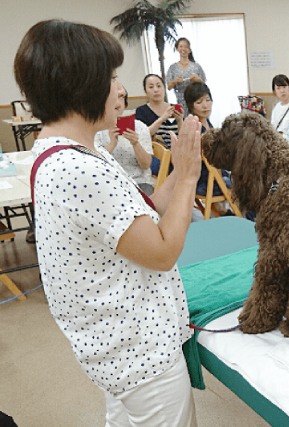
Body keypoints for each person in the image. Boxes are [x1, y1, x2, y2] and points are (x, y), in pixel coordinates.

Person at [15, 19, 202, 425]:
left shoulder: (64, 152)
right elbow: (163, 251)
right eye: (112, 77)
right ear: (79, 83)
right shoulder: (79, 169)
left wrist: (179, 171)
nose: (121, 89)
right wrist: (189, 177)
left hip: (115, 352)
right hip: (141, 354)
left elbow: (139, 215)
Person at [96, 83, 154, 195]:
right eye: (113, 98)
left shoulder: (140, 127)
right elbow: (95, 163)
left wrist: (135, 143)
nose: (117, 102)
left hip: (139, 182)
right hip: (110, 182)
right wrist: (112, 144)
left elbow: (146, 165)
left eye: (121, 98)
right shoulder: (98, 129)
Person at [184, 81, 232, 208]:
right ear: (191, 106)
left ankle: (229, 213)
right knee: (251, 183)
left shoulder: (206, 123)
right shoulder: (194, 127)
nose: (205, 105)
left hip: (214, 177)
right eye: (199, 102)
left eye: (207, 100)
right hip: (207, 182)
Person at [136, 73, 183, 148]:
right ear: (145, 91)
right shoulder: (142, 111)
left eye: (159, 86)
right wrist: (162, 119)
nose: (156, 90)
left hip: (178, 152)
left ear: (164, 88)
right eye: (151, 87)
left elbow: (183, 138)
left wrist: (180, 121)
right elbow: (142, 135)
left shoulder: (174, 108)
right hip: (156, 155)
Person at [167, 37, 207, 115]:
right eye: (181, 46)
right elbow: (169, 87)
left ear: (189, 49)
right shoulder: (172, 68)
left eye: (186, 46)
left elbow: (204, 84)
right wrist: (175, 81)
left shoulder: (196, 66)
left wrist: (198, 80)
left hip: (196, 100)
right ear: (177, 49)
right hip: (181, 102)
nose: (183, 49)